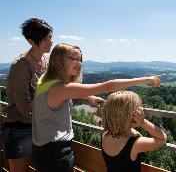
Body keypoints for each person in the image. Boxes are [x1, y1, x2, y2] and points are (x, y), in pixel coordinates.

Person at [31, 43, 162, 172]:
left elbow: (66, 93)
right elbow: (108, 87)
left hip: (40, 149)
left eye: (80, 59)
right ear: (59, 60)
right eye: (74, 59)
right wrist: (146, 79)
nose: (79, 63)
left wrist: (89, 97)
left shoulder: (45, 81)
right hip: (55, 154)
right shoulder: (60, 88)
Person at [3, 18, 53, 172]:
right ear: (31, 41)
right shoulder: (20, 66)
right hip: (20, 128)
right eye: (45, 39)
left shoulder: (46, 60)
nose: (50, 42)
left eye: (50, 37)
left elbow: (59, 87)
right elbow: (24, 109)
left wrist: (87, 97)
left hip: (40, 126)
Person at [101, 91, 167, 172]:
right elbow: (162, 139)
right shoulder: (135, 143)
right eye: (136, 110)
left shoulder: (104, 135)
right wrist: (143, 122)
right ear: (129, 116)